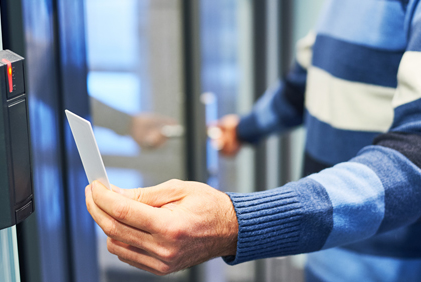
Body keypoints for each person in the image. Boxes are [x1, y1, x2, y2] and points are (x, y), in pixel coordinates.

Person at [85, 0, 421, 280]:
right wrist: (242, 130)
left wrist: (237, 222)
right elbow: (304, 82)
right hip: (325, 257)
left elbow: (413, 161)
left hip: (390, 268)